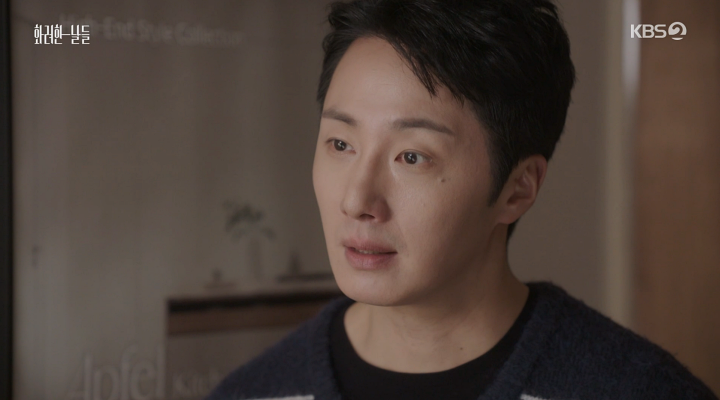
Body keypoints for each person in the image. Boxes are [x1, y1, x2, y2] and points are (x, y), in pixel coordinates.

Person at [207, 0, 718, 399]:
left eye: (412, 156)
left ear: (517, 189)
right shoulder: (254, 392)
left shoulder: (639, 390)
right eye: (341, 145)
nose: (357, 199)